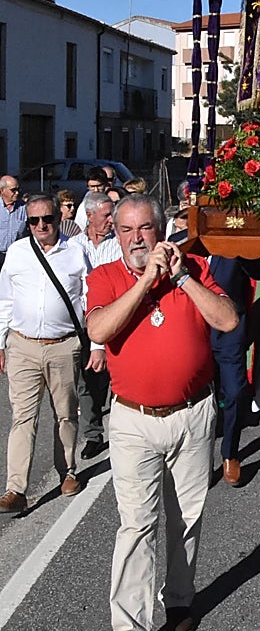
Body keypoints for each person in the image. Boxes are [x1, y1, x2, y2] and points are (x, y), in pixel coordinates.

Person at [86, 194, 238, 631]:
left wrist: (181, 277)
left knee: (185, 517)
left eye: (145, 229)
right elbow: (99, 330)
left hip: (192, 414)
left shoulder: (192, 267)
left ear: (162, 229)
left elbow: (227, 320)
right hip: (134, 418)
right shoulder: (105, 276)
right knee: (135, 524)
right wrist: (145, 281)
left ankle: (178, 601)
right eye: (127, 230)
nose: (137, 239)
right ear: (116, 234)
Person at [0, 195, 100, 515]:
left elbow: (91, 299)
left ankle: (67, 471)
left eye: (47, 219)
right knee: (23, 418)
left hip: (63, 345)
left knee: (66, 414)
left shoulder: (76, 252)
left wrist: (96, 344)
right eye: (34, 221)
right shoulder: (17, 253)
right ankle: (16, 488)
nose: (41, 226)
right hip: (23, 345)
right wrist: (0, 343)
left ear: (58, 219)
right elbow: (5, 300)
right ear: (27, 224)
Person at [71, 191, 123, 458]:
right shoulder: (74, 246)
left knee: (119, 380)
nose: (111, 221)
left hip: (117, 321)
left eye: (113, 215)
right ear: (89, 216)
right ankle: (93, 434)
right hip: (84, 324)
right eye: (105, 216)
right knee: (89, 382)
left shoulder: (119, 245)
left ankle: (122, 435)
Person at [208, 254, 260, 487]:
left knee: (234, 392)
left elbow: (258, 271)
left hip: (230, 335)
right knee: (198, 400)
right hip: (196, 333)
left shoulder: (233, 246)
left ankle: (230, 453)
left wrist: (241, 251)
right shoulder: (184, 242)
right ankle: (199, 460)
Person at [0, 175, 26, 272]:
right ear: (2, 190)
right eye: (13, 190)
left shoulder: (23, 207)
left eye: (18, 189)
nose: (17, 193)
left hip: (15, 256)